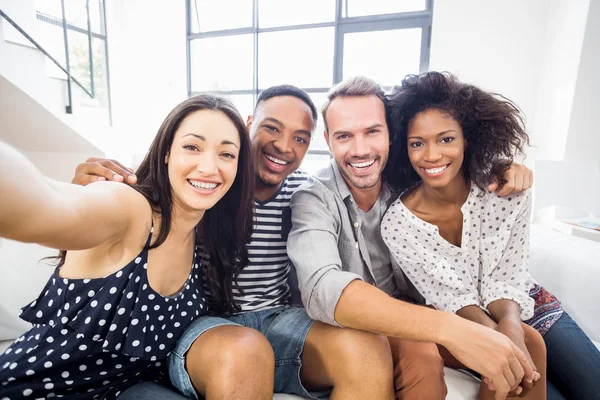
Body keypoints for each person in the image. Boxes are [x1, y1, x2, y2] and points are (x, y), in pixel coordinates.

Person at [71, 85, 398, 400]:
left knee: (368, 347)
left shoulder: (306, 192)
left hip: (279, 317)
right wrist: (87, 195)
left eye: (299, 138)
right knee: (244, 350)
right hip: (205, 326)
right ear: (249, 125)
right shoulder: (208, 179)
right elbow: (133, 207)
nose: (284, 146)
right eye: (272, 128)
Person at [287, 75, 538, 400]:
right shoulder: (313, 198)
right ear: (328, 139)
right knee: (420, 355)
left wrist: (501, 167)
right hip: (349, 326)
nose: (360, 149)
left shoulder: (409, 179)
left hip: (427, 310)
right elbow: (322, 287)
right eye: (344, 136)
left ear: (391, 135)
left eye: (372, 131)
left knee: (526, 343)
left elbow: (457, 171)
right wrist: (453, 329)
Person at [0, 94, 255, 399]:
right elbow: (45, 205)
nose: (209, 167)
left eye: (226, 154)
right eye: (192, 147)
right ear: (166, 153)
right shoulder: (132, 209)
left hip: (122, 390)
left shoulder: (204, 239)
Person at [382, 71, 600, 400]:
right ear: (404, 148)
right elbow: (451, 298)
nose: (432, 155)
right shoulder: (398, 223)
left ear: (466, 139)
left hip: (528, 305)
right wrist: (498, 338)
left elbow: (509, 273)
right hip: (470, 324)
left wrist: (510, 324)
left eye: (445, 139)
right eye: (417, 143)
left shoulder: (505, 191)